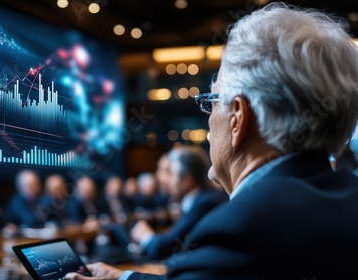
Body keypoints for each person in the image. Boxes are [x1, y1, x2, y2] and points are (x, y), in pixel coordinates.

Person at [65, 3, 358, 279]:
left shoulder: (244, 227)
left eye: (212, 101)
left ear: (238, 118)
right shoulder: (346, 196)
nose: (208, 118)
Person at [130, 146, 227, 260]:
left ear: (187, 179)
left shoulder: (204, 203)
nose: (166, 180)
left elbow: (167, 247)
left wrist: (145, 236)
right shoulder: (201, 198)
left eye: (171, 173)